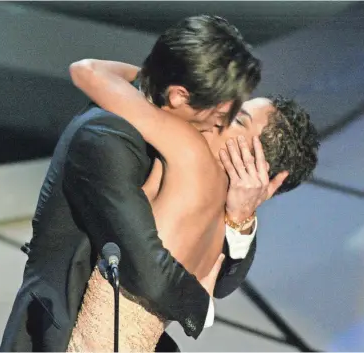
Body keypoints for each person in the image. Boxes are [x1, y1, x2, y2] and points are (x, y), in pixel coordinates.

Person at [0, 15, 267, 352]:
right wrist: (201, 308)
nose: (220, 127)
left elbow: (223, 280)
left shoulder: (176, 133)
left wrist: (241, 216)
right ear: (180, 97)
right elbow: (145, 267)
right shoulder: (106, 138)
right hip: (65, 330)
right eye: (218, 115)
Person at [66, 59, 319, 351]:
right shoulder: (220, 231)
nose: (222, 109)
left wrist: (155, 78)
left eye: (238, 119)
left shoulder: (187, 150)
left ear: (256, 167)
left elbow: (88, 72)